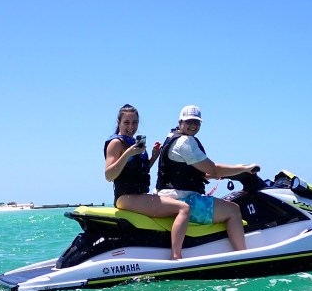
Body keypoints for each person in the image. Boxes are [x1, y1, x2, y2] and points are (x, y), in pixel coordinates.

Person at [156, 105, 259, 255]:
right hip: (183, 199)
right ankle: (243, 255)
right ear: (180, 122)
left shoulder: (172, 137)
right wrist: (244, 169)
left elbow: (194, 172)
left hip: (168, 196)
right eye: (189, 121)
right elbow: (213, 169)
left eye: (196, 122)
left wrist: (229, 172)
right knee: (233, 210)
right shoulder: (185, 142)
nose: (193, 125)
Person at [104, 104, 191, 260]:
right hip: (126, 198)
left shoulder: (133, 142)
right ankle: (176, 257)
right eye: (127, 122)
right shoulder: (116, 143)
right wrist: (127, 153)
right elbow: (109, 175)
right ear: (119, 122)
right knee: (183, 209)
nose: (131, 127)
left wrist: (153, 157)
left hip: (137, 196)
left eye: (135, 122)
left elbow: (137, 173)